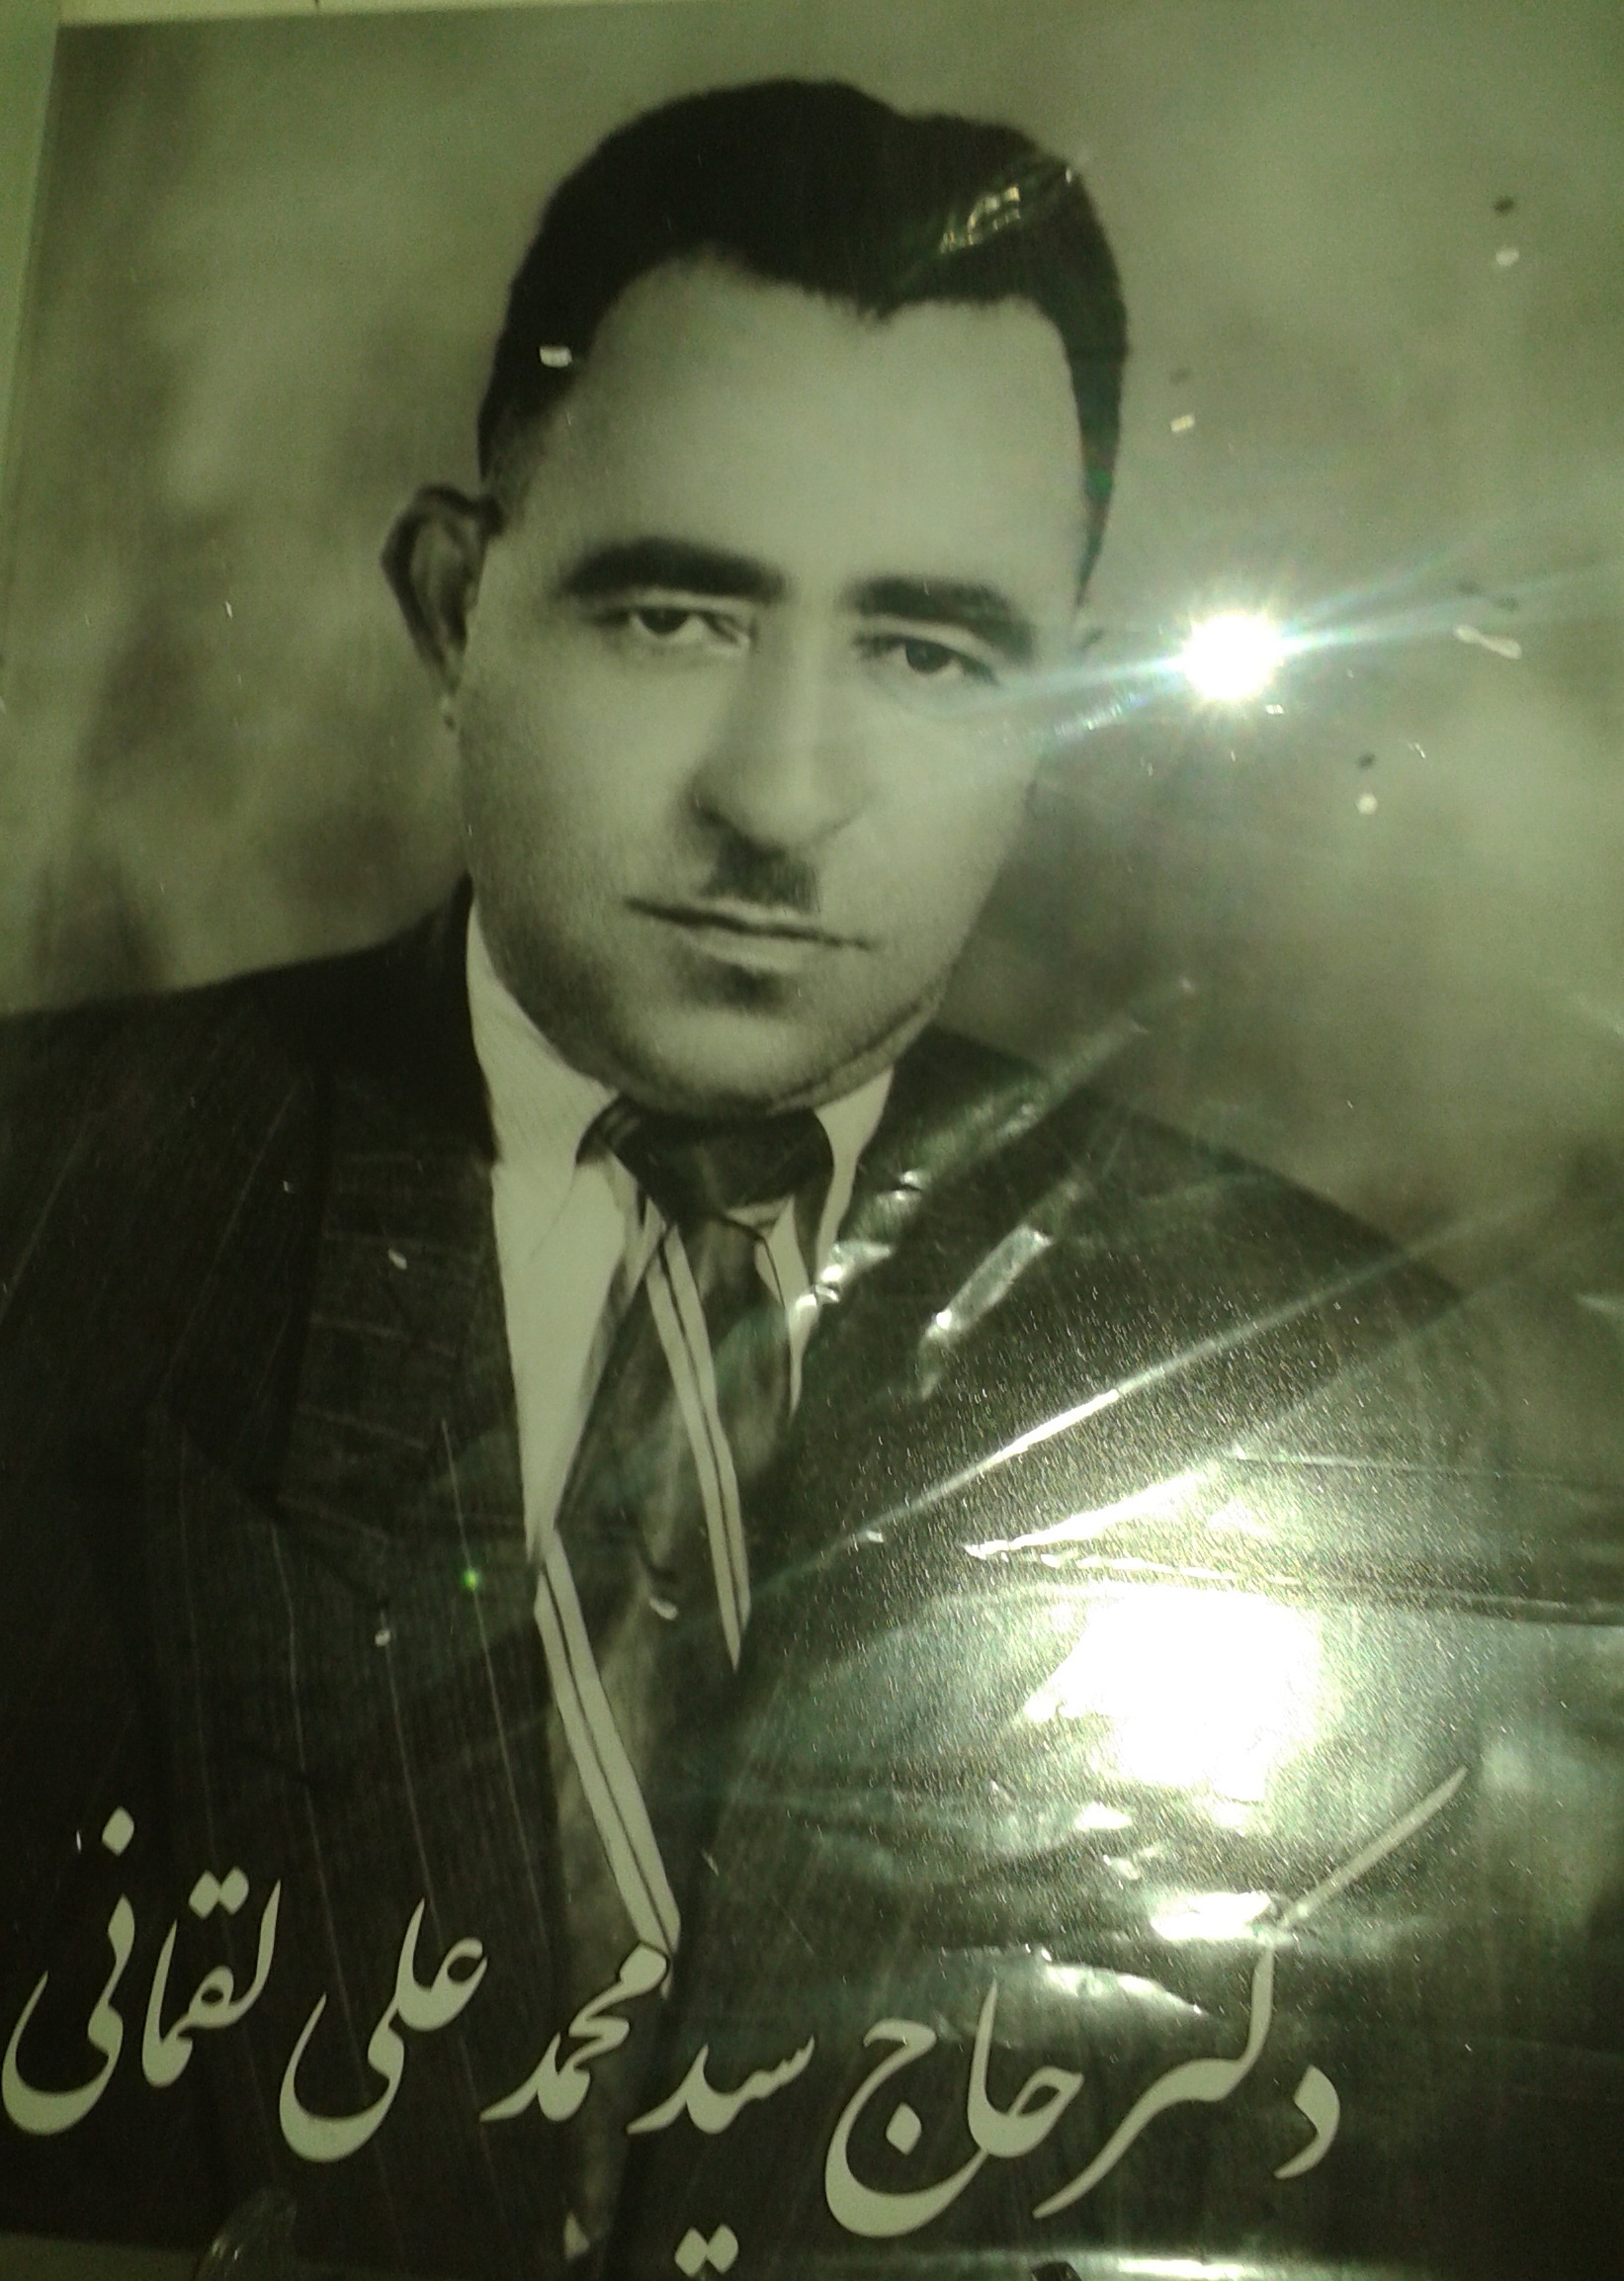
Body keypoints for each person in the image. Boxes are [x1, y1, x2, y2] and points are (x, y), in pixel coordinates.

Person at [0, 78, 1527, 2281]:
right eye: (678, 616)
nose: (783, 798)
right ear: (453, 609)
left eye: (926, 651)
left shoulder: (1335, 1385)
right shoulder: (50, 1208)